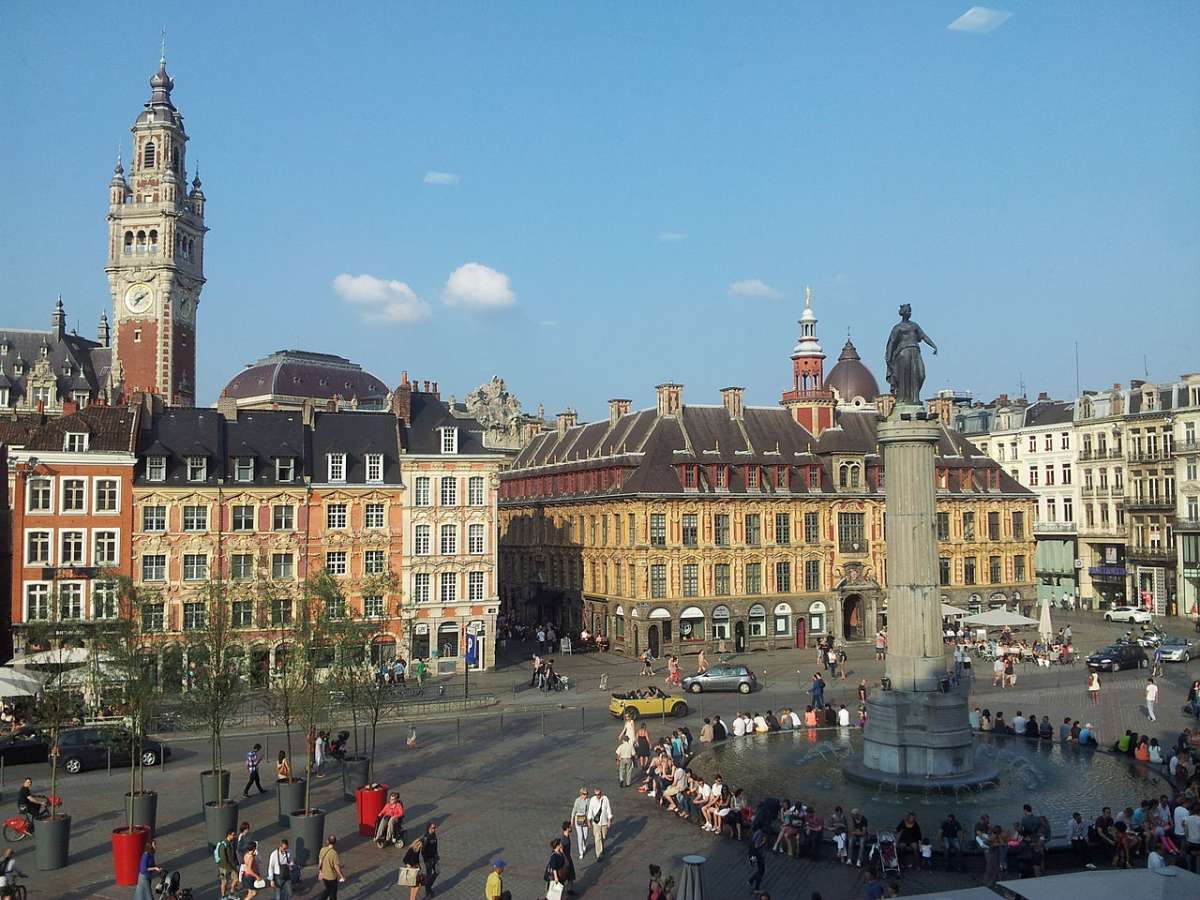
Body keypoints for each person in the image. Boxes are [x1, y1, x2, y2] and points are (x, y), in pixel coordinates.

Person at [315, 835, 345, 900]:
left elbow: (320, 863)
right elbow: (336, 867)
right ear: (335, 843)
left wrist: (320, 872)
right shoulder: (334, 853)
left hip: (324, 875)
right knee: (333, 892)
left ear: (328, 841)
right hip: (332, 877)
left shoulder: (322, 849)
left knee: (328, 889)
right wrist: (342, 876)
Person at [588, 787, 613, 858]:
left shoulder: (605, 799)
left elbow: (608, 809)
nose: (597, 796)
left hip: (604, 822)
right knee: (597, 838)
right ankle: (599, 854)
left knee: (604, 836)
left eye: (599, 794)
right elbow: (590, 810)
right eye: (596, 794)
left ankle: (601, 848)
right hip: (596, 823)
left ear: (601, 793)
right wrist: (589, 820)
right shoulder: (592, 800)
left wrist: (609, 820)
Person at [216, 827, 238, 900]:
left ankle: (231, 893)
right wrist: (230, 868)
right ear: (228, 835)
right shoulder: (223, 845)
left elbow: (233, 855)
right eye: (233, 835)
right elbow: (223, 859)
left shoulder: (231, 843)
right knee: (224, 882)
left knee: (236, 879)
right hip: (224, 867)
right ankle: (223, 896)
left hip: (232, 866)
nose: (234, 836)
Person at [417, 822, 439, 897]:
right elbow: (423, 851)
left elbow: (435, 846)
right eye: (433, 828)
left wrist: (436, 855)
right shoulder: (426, 838)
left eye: (435, 827)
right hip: (428, 860)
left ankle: (428, 886)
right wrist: (427, 860)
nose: (435, 829)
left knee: (437, 871)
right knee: (429, 875)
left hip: (434, 858)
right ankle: (428, 890)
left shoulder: (434, 835)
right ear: (429, 828)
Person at [571, 789, 590, 858]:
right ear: (581, 794)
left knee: (585, 835)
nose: (586, 795)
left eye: (587, 794)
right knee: (580, 836)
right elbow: (574, 809)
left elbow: (590, 810)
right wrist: (572, 819)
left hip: (585, 818)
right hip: (578, 818)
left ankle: (584, 844)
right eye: (584, 794)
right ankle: (581, 852)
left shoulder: (589, 800)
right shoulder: (577, 800)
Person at [748, 825, 767, 891]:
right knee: (761, 870)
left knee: (761, 870)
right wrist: (763, 842)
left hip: (755, 854)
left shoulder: (757, 832)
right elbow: (757, 846)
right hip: (759, 855)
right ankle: (756, 886)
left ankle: (751, 880)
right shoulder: (760, 834)